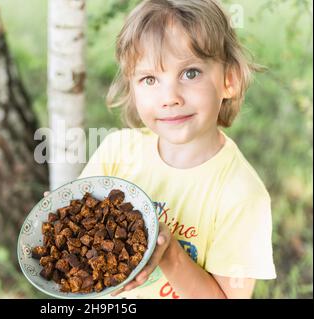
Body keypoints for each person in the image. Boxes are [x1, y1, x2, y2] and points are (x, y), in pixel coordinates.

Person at [75, 0, 276, 298]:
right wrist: (65, 215)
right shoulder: (116, 151)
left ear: (229, 80)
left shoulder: (242, 195)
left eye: (190, 73)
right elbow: (80, 240)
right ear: (132, 87)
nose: (170, 97)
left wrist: (168, 254)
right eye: (150, 79)